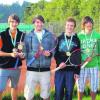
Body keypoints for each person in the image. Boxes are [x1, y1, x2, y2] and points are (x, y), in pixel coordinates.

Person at [24, 15, 55, 100]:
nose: (39, 24)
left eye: (41, 22)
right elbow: (24, 51)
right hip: (31, 69)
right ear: (34, 23)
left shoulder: (49, 35)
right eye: (37, 22)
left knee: (46, 95)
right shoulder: (28, 36)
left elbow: (53, 50)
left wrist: (50, 54)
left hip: (45, 70)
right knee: (29, 95)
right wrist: (22, 55)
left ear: (43, 23)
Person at [54, 17, 81, 100]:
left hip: (71, 71)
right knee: (58, 93)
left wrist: (77, 71)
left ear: (74, 27)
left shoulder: (76, 40)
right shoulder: (59, 38)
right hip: (60, 70)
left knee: (69, 94)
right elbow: (56, 54)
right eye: (68, 25)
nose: (69, 27)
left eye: (72, 26)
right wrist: (59, 63)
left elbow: (78, 57)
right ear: (65, 26)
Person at [0, 14, 25, 100]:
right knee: (0, 88)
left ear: (18, 23)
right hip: (4, 67)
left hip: (16, 67)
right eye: (12, 21)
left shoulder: (22, 35)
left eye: (16, 22)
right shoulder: (2, 35)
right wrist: (10, 54)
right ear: (9, 22)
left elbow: (23, 51)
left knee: (14, 87)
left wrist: (22, 55)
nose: (14, 24)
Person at [76, 16, 100, 100]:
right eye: (87, 22)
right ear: (83, 24)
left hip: (94, 66)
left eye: (90, 22)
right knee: (80, 87)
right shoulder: (78, 36)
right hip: (82, 66)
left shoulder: (97, 35)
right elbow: (77, 51)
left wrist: (99, 66)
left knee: (94, 87)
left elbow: (99, 52)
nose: (89, 24)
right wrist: (84, 58)